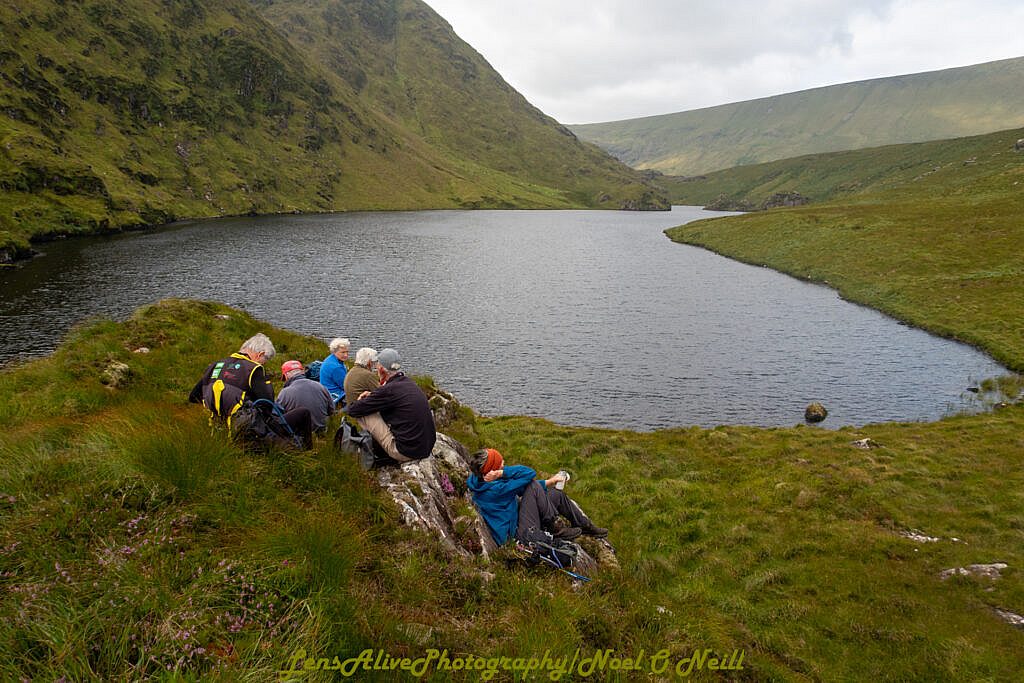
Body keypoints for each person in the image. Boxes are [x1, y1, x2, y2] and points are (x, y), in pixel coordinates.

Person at [188, 333, 314, 448]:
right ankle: (307, 452)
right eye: (265, 361)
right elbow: (267, 405)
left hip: (216, 430)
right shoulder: (254, 369)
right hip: (246, 434)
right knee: (302, 415)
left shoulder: (215, 366)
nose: (263, 365)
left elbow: (194, 397)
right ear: (260, 355)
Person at [466, 448, 607, 547]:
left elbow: (521, 485)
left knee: (556, 494)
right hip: (518, 535)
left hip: (516, 519)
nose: (504, 463)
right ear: (493, 469)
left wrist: (550, 482)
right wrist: (503, 473)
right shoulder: (496, 489)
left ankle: (586, 526)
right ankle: (554, 527)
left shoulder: (481, 480)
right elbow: (529, 474)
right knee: (533, 485)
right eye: (500, 463)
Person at [345, 348, 436, 463]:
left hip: (405, 452)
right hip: (425, 448)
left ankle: (374, 445)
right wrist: (373, 396)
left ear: (382, 370)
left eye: (377, 367)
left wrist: (363, 401)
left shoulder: (388, 390)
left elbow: (353, 410)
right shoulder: (409, 383)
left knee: (363, 413)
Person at [277, 360, 335, 434]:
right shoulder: (320, 386)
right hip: (321, 431)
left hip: (299, 435)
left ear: (286, 375)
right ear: (302, 372)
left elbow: (279, 415)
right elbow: (331, 410)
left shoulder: (285, 392)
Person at [319, 337, 350, 407]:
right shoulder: (336, 368)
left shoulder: (330, 359)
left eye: (347, 352)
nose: (346, 355)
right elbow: (345, 386)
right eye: (343, 352)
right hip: (335, 395)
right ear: (335, 351)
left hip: (325, 392)